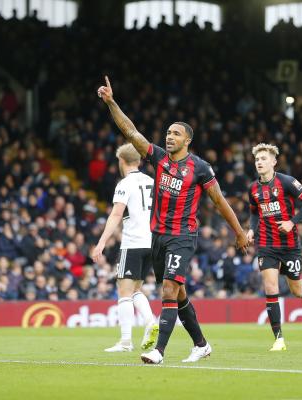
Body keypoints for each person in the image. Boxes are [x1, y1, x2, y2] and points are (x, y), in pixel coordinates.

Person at [97, 76, 249, 365]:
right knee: (178, 294)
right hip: (158, 237)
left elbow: (219, 201)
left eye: (176, 134)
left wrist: (239, 233)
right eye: (168, 132)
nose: (169, 137)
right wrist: (111, 102)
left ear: (187, 141)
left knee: (168, 288)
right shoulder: (158, 158)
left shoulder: (200, 168)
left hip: (183, 235)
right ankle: (201, 344)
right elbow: (130, 131)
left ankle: (159, 351)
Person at [247, 143, 302, 351]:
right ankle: (279, 339)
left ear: (273, 162)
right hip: (267, 246)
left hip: (290, 246)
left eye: (263, 159)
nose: (259, 162)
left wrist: (292, 222)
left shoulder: (286, 182)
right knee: (270, 287)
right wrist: (251, 230)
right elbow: (253, 212)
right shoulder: (253, 188)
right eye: (257, 159)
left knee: (296, 289)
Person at [92, 143, 159, 352]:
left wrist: (101, 242)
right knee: (136, 288)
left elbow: (116, 214)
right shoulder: (152, 181)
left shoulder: (125, 184)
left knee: (124, 291)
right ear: (138, 161)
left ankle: (125, 341)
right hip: (152, 242)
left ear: (121, 162)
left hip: (133, 243)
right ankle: (150, 321)